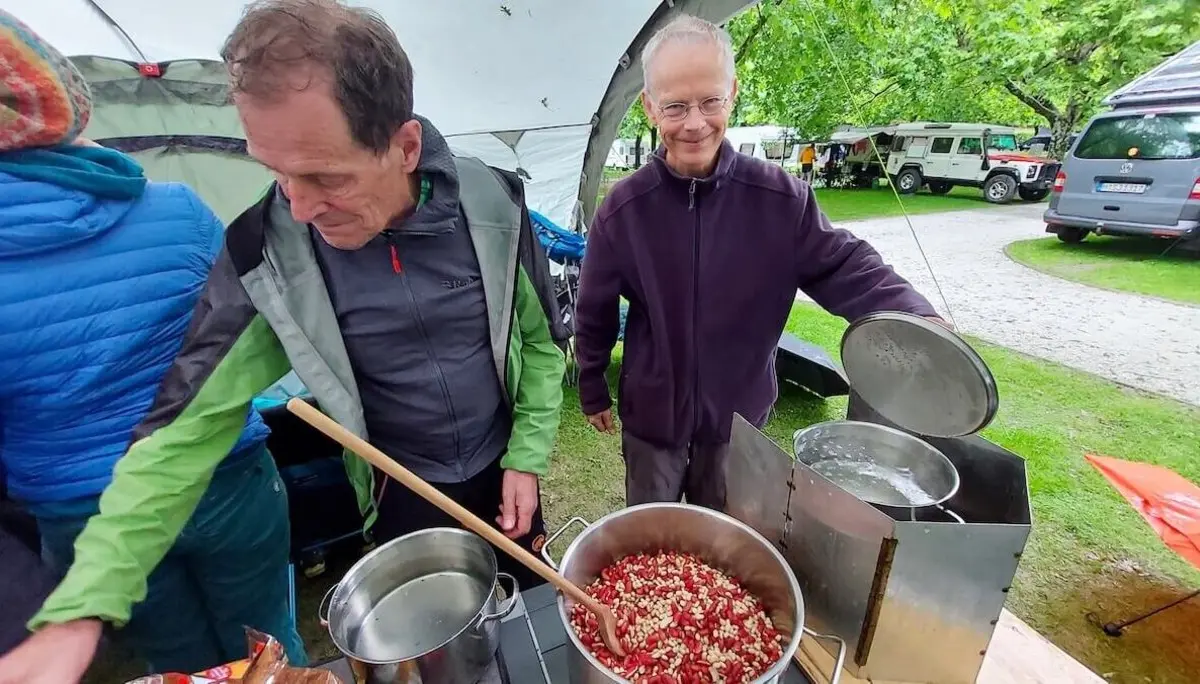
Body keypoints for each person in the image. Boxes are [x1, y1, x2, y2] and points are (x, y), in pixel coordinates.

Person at [2, 2, 567, 679]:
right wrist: (84, 603)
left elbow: (539, 345)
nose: (298, 208)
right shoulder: (268, 255)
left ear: (405, 146)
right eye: (276, 172)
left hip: (506, 472)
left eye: (326, 177)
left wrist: (528, 455)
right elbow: (182, 434)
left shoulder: (492, 204)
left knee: (535, 637)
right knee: (436, 661)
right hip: (399, 498)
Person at [0, 9, 305, 683]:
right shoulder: (179, 212)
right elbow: (229, 341)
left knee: (180, 663)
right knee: (268, 641)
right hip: (227, 482)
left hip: (82, 511)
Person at [574, 16, 941, 509]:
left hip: (737, 421)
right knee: (653, 536)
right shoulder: (623, 209)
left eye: (710, 101)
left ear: (733, 93)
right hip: (653, 422)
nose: (695, 122)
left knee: (724, 545)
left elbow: (845, 264)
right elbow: (593, 308)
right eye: (675, 106)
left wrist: (915, 315)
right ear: (649, 107)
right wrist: (592, 383)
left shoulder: (780, 199)